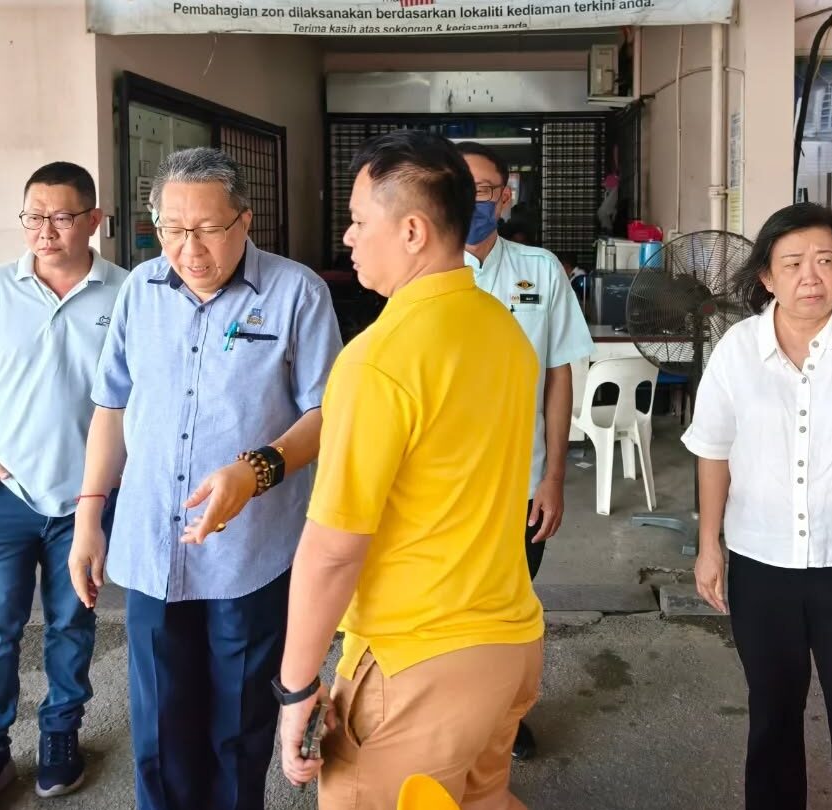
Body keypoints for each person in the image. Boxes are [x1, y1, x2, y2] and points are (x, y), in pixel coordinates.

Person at [68, 147, 342, 810]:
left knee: (239, 724)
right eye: (171, 230)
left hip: (250, 551)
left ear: (246, 222)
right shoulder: (139, 291)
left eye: (208, 230)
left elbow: (327, 414)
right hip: (151, 543)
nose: (188, 249)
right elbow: (111, 406)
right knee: (159, 725)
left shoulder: (296, 292)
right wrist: (88, 519)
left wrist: (254, 471)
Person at [277, 129, 543, 810]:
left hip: (414, 661)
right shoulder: (501, 329)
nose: (348, 236)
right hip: (509, 644)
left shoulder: (379, 359)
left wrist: (297, 689)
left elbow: (334, 551)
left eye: (362, 221)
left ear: (415, 231)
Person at [685, 203, 832, 810]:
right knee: (772, 716)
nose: (809, 276)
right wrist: (710, 546)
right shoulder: (738, 347)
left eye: (824, 261)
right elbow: (714, 449)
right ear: (766, 276)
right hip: (762, 564)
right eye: (792, 263)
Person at [0, 162, 128, 810]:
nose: (43, 231)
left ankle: (60, 736)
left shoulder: (124, 293)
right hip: (2, 496)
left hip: (85, 502)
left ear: (93, 221)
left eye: (60, 216)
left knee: (72, 624)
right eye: (32, 216)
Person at [458, 140, 594, 761]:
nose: (469, 202)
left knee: (514, 609)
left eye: (482, 190)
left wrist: (556, 476)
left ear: (505, 199)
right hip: (447, 487)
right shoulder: (420, 271)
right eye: (455, 188)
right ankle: (458, 722)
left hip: (523, 481)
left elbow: (561, 375)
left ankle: (507, 720)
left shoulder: (539, 270)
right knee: (452, 609)